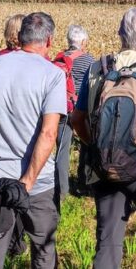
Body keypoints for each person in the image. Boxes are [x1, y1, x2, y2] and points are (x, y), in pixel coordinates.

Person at [0, 12, 67, 268]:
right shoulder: (52, 75)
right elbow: (49, 133)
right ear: (49, 40)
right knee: (43, 250)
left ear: (19, 37)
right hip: (37, 185)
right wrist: (26, 183)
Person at [70, 7, 136, 269]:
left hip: (104, 165)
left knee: (108, 238)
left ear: (119, 33)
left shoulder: (97, 68)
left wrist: (94, 145)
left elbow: (77, 118)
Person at [54, 24, 96, 200]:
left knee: (62, 149)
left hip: (62, 108)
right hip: (81, 109)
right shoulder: (89, 61)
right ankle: (84, 183)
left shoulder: (59, 59)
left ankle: (61, 190)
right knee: (87, 145)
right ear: (84, 42)